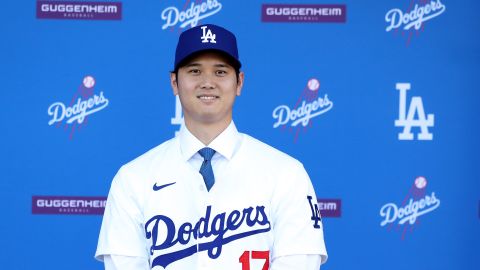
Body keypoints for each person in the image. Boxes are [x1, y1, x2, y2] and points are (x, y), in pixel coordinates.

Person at [95, 24, 328, 270]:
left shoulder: (286, 173)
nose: (207, 82)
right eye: (195, 71)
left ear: (239, 82)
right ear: (174, 82)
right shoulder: (133, 178)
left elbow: (299, 263)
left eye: (220, 72)